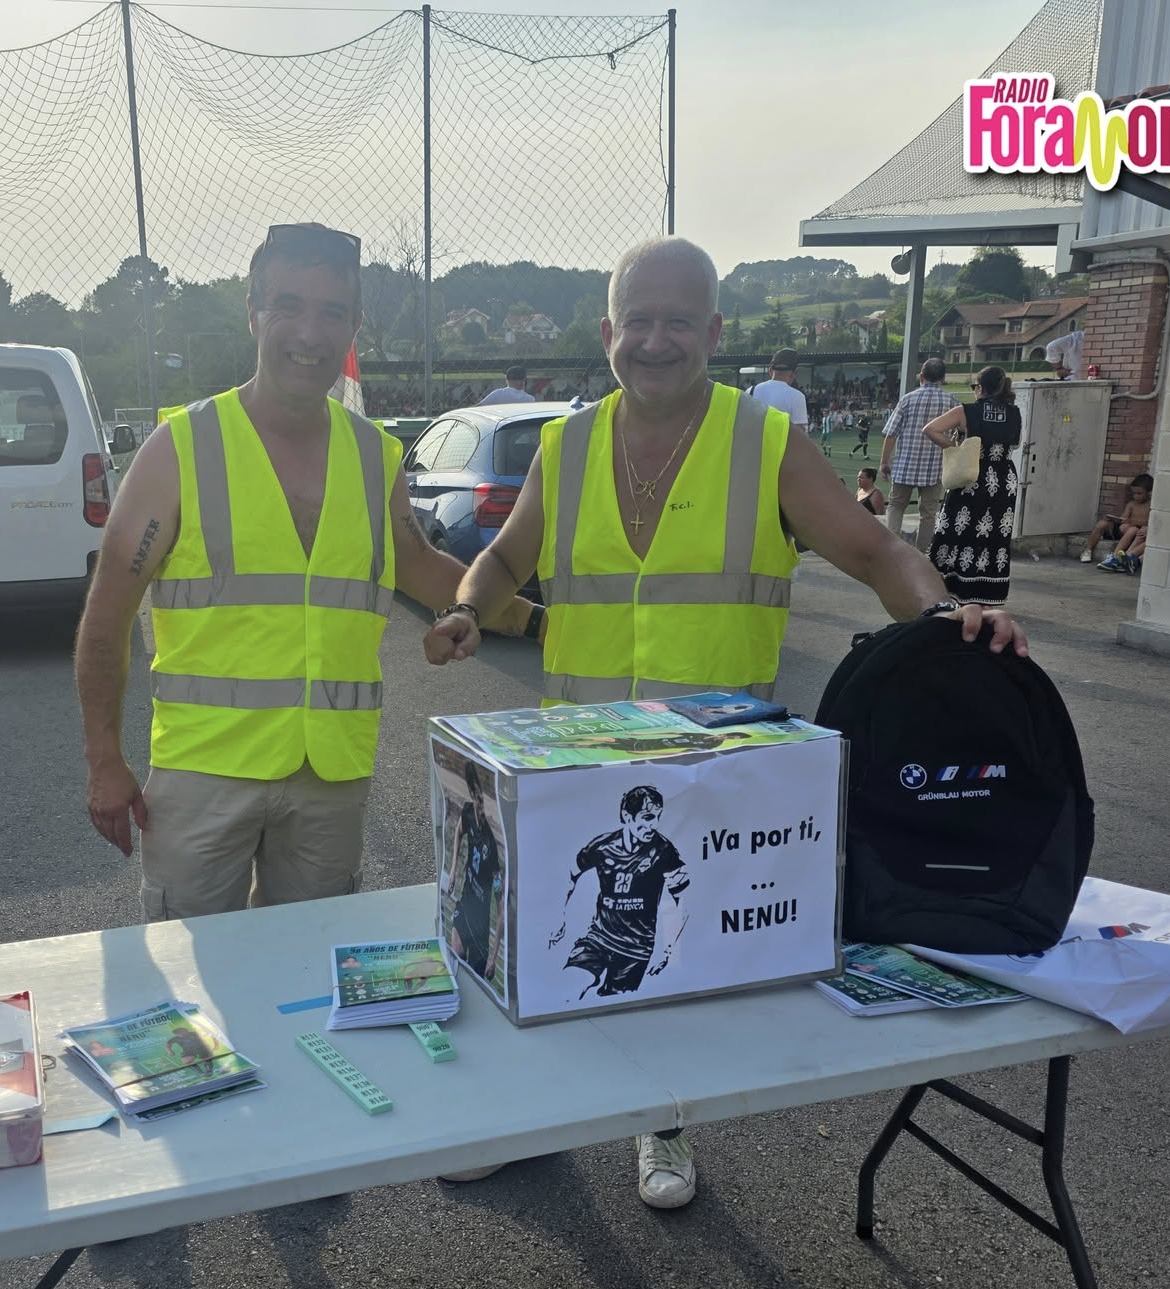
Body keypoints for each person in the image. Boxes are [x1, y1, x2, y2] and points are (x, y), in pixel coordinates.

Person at [423, 235, 1027, 1209]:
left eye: (677, 321)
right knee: (554, 944)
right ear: (608, 333)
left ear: (711, 333)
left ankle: (661, 1122)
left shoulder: (765, 444)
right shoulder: (566, 447)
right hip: (574, 761)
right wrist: (465, 605)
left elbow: (877, 554)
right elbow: (503, 559)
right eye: (638, 321)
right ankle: (532, 1119)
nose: (655, 340)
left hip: (706, 768)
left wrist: (945, 616)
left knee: (671, 959)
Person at [75, 222, 541, 919]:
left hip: (331, 775)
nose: (309, 332)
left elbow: (418, 565)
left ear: (354, 326)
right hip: (204, 771)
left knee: (315, 965)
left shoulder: (373, 455)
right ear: (253, 312)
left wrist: (533, 621)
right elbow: (108, 613)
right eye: (288, 305)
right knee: (201, 974)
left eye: (331, 312)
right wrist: (104, 761)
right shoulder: (181, 448)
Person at [549, 785, 690, 999]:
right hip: (598, 938)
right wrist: (558, 917)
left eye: (657, 817)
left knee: (613, 1006)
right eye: (647, 817)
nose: (653, 825)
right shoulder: (602, 846)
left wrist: (669, 950)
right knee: (568, 988)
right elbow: (568, 876)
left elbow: (683, 900)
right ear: (627, 816)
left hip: (636, 951)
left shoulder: (664, 851)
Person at [922, 366, 1023, 605]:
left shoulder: (967, 411)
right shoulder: (1014, 412)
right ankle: (988, 593)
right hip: (1003, 479)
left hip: (972, 475)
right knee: (994, 535)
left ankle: (953, 586)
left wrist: (954, 448)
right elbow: (1016, 443)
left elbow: (931, 429)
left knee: (958, 529)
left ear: (980, 387)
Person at [878, 357, 959, 549]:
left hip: (905, 465)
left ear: (921, 376)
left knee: (896, 506)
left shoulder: (908, 399)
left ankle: (893, 550)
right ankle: (922, 552)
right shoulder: (952, 401)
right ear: (943, 378)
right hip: (934, 467)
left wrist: (884, 462)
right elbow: (958, 434)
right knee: (928, 513)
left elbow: (891, 434)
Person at [442, 760, 502, 983]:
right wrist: (453, 869)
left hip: (481, 927)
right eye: (475, 795)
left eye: (481, 798)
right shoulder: (467, 813)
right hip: (465, 904)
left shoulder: (491, 844)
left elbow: (501, 905)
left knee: (474, 980)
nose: (479, 802)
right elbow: (458, 833)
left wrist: (494, 957)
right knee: (455, 956)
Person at [1086, 472, 1151, 567]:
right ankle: (1088, 551)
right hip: (1124, 530)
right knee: (1103, 523)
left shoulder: (1151, 506)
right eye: (1133, 493)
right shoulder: (1131, 504)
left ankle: (1116, 556)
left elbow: (1149, 524)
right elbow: (1123, 518)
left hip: (1137, 533)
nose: (1136, 496)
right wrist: (1116, 519)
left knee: (1133, 529)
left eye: (1139, 493)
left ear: (1149, 493)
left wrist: (1134, 524)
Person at [747, 348, 809, 428]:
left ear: (770, 370)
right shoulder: (797, 396)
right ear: (794, 373)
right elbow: (800, 432)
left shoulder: (751, 391)